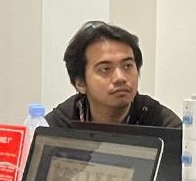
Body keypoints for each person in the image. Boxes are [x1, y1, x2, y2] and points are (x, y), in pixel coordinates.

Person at [45, 21, 181, 129]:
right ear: (81, 83)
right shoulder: (60, 125)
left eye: (127, 66)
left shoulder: (163, 125)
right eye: (105, 69)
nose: (120, 78)